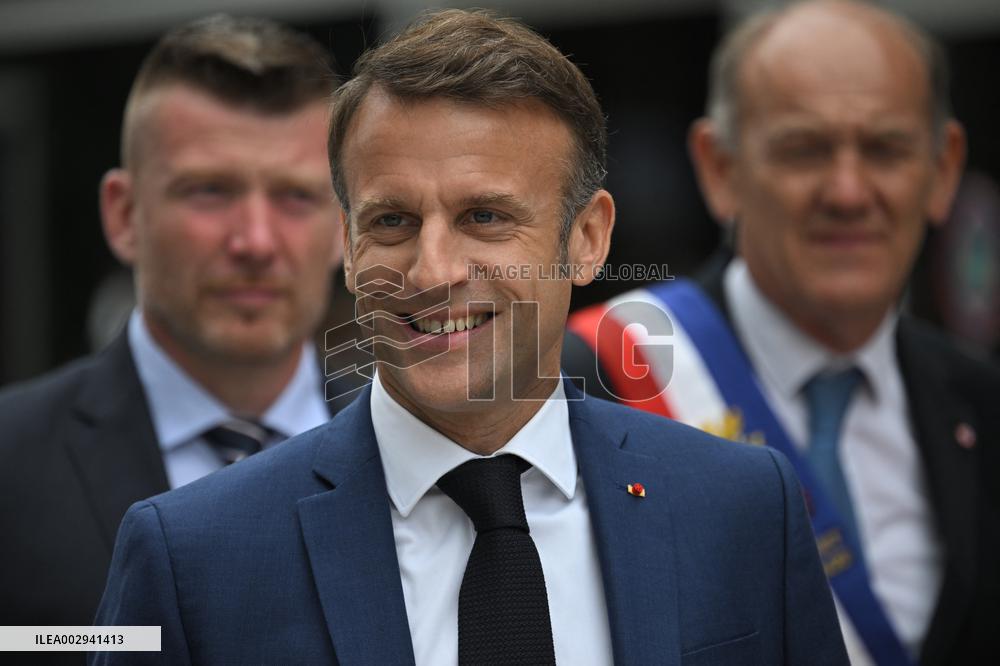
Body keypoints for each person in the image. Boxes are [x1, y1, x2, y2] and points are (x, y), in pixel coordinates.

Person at [92, 9, 848, 665]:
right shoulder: (194, 557)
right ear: (349, 247)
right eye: (391, 222)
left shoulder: (742, 509)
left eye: (485, 217)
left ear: (586, 239)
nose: (432, 269)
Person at [564, 1, 1000, 664]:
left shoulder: (982, 405)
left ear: (943, 170)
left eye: (886, 148)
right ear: (719, 168)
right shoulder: (589, 377)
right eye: (804, 150)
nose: (848, 192)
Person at [0, 14, 350, 639]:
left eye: (296, 197)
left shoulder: (423, 453)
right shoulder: (12, 466)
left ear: (345, 229)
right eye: (209, 191)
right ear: (124, 215)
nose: (255, 241)